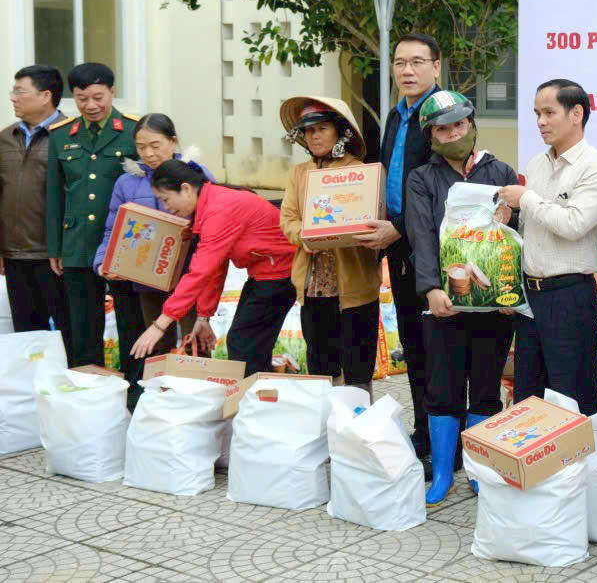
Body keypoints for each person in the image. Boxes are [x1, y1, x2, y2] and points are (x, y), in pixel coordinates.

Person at [405, 91, 517, 504]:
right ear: (431, 135)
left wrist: (509, 291)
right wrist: (431, 288)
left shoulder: (500, 171)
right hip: (444, 304)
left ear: (472, 124)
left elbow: (514, 237)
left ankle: (477, 469)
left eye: (459, 124)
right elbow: (420, 234)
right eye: (442, 128)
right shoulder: (422, 178)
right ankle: (441, 474)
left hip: (492, 303)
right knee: (442, 387)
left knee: (485, 387)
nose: (453, 133)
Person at [496, 79, 597, 417]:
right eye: (537, 113)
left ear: (576, 113)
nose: (541, 122)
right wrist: (509, 217)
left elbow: (573, 224)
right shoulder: (536, 164)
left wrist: (527, 199)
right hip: (530, 296)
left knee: (571, 398)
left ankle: (579, 469)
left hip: (568, 296)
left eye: (549, 112)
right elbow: (532, 228)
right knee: (528, 397)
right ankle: (536, 468)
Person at [127, 160, 296, 376]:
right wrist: (203, 317)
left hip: (279, 274)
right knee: (246, 344)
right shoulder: (211, 204)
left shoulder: (219, 209)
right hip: (266, 275)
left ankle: (253, 401)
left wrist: (160, 325)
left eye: (166, 199)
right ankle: (256, 398)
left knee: (243, 343)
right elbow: (215, 268)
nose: (166, 207)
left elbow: (200, 272)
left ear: (186, 189)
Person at [94, 114, 212, 407]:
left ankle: (199, 403)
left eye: (155, 145)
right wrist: (104, 262)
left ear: (173, 141)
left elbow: (211, 224)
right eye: (141, 147)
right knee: (155, 342)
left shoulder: (197, 175)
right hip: (147, 278)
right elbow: (113, 228)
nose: (148, 153)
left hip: (189, 276)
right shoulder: (127, 182)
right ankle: (160, 405)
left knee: (192, 341)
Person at [362, 32, 442, 459]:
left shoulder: (445, 114)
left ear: (436, 67)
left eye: (416, 62)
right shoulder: (397, 115)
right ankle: (423, 430)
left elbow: (440, 188)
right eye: (399, 63)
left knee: (435, 344)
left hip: (428, 246)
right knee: (412, 341)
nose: (407, 71)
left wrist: (398, 226)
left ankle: (440, 439)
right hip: (397, 246)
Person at [279, 97, 381, 393]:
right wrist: (305, 236)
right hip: (314, 286)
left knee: (358, 364)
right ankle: (327, 429)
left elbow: (370, 217)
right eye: (309, 131)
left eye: (322, 129)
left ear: (339, 132)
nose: (315, 136)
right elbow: (288, 218)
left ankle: (359, 424)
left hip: (354, 287)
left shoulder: (359, 170)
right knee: (321, 364)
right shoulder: (298, 173)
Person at [45, 63, 138, 368]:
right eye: (82, 98)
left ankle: (134, 391)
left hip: (126, 242)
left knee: (130, 321)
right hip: (78, 243)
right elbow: (55, 194)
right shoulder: (60, 135)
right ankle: (89, 389)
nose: (91, 105)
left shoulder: (135, 130)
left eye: (98, 97)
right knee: (83, 325)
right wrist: (55, 248)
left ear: (112, 92)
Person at [2, 65, 66, 334]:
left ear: (45, 96)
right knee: (27, 336)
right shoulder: (5, 138)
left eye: (20, 92)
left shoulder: (68, 136)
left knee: (67, 331)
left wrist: (61, 247)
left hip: (56, 257)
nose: (13, 98)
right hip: (15, 254)